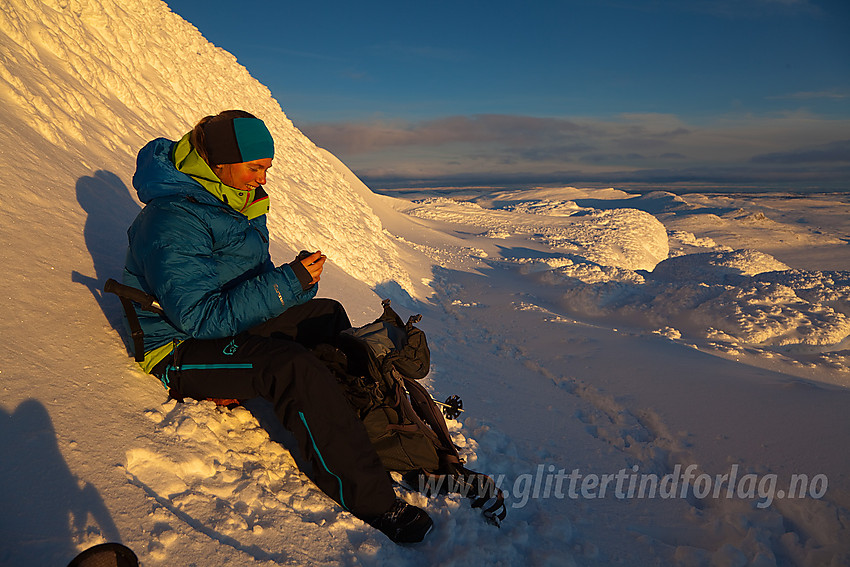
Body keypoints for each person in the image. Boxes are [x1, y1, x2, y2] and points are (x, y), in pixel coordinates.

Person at [120, 109, 432, 544]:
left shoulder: (230, 199)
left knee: (325, 316)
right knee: (290, 366)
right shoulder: (172, 220)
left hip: (224, 328)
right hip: (180, 349)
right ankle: (372, 498)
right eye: (256, 167)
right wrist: (288, 283)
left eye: (267, 168)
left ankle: (371, 430)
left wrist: (296, 283)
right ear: (220, 163)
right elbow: (199, 317)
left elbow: (251, 288)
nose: (263, 179)